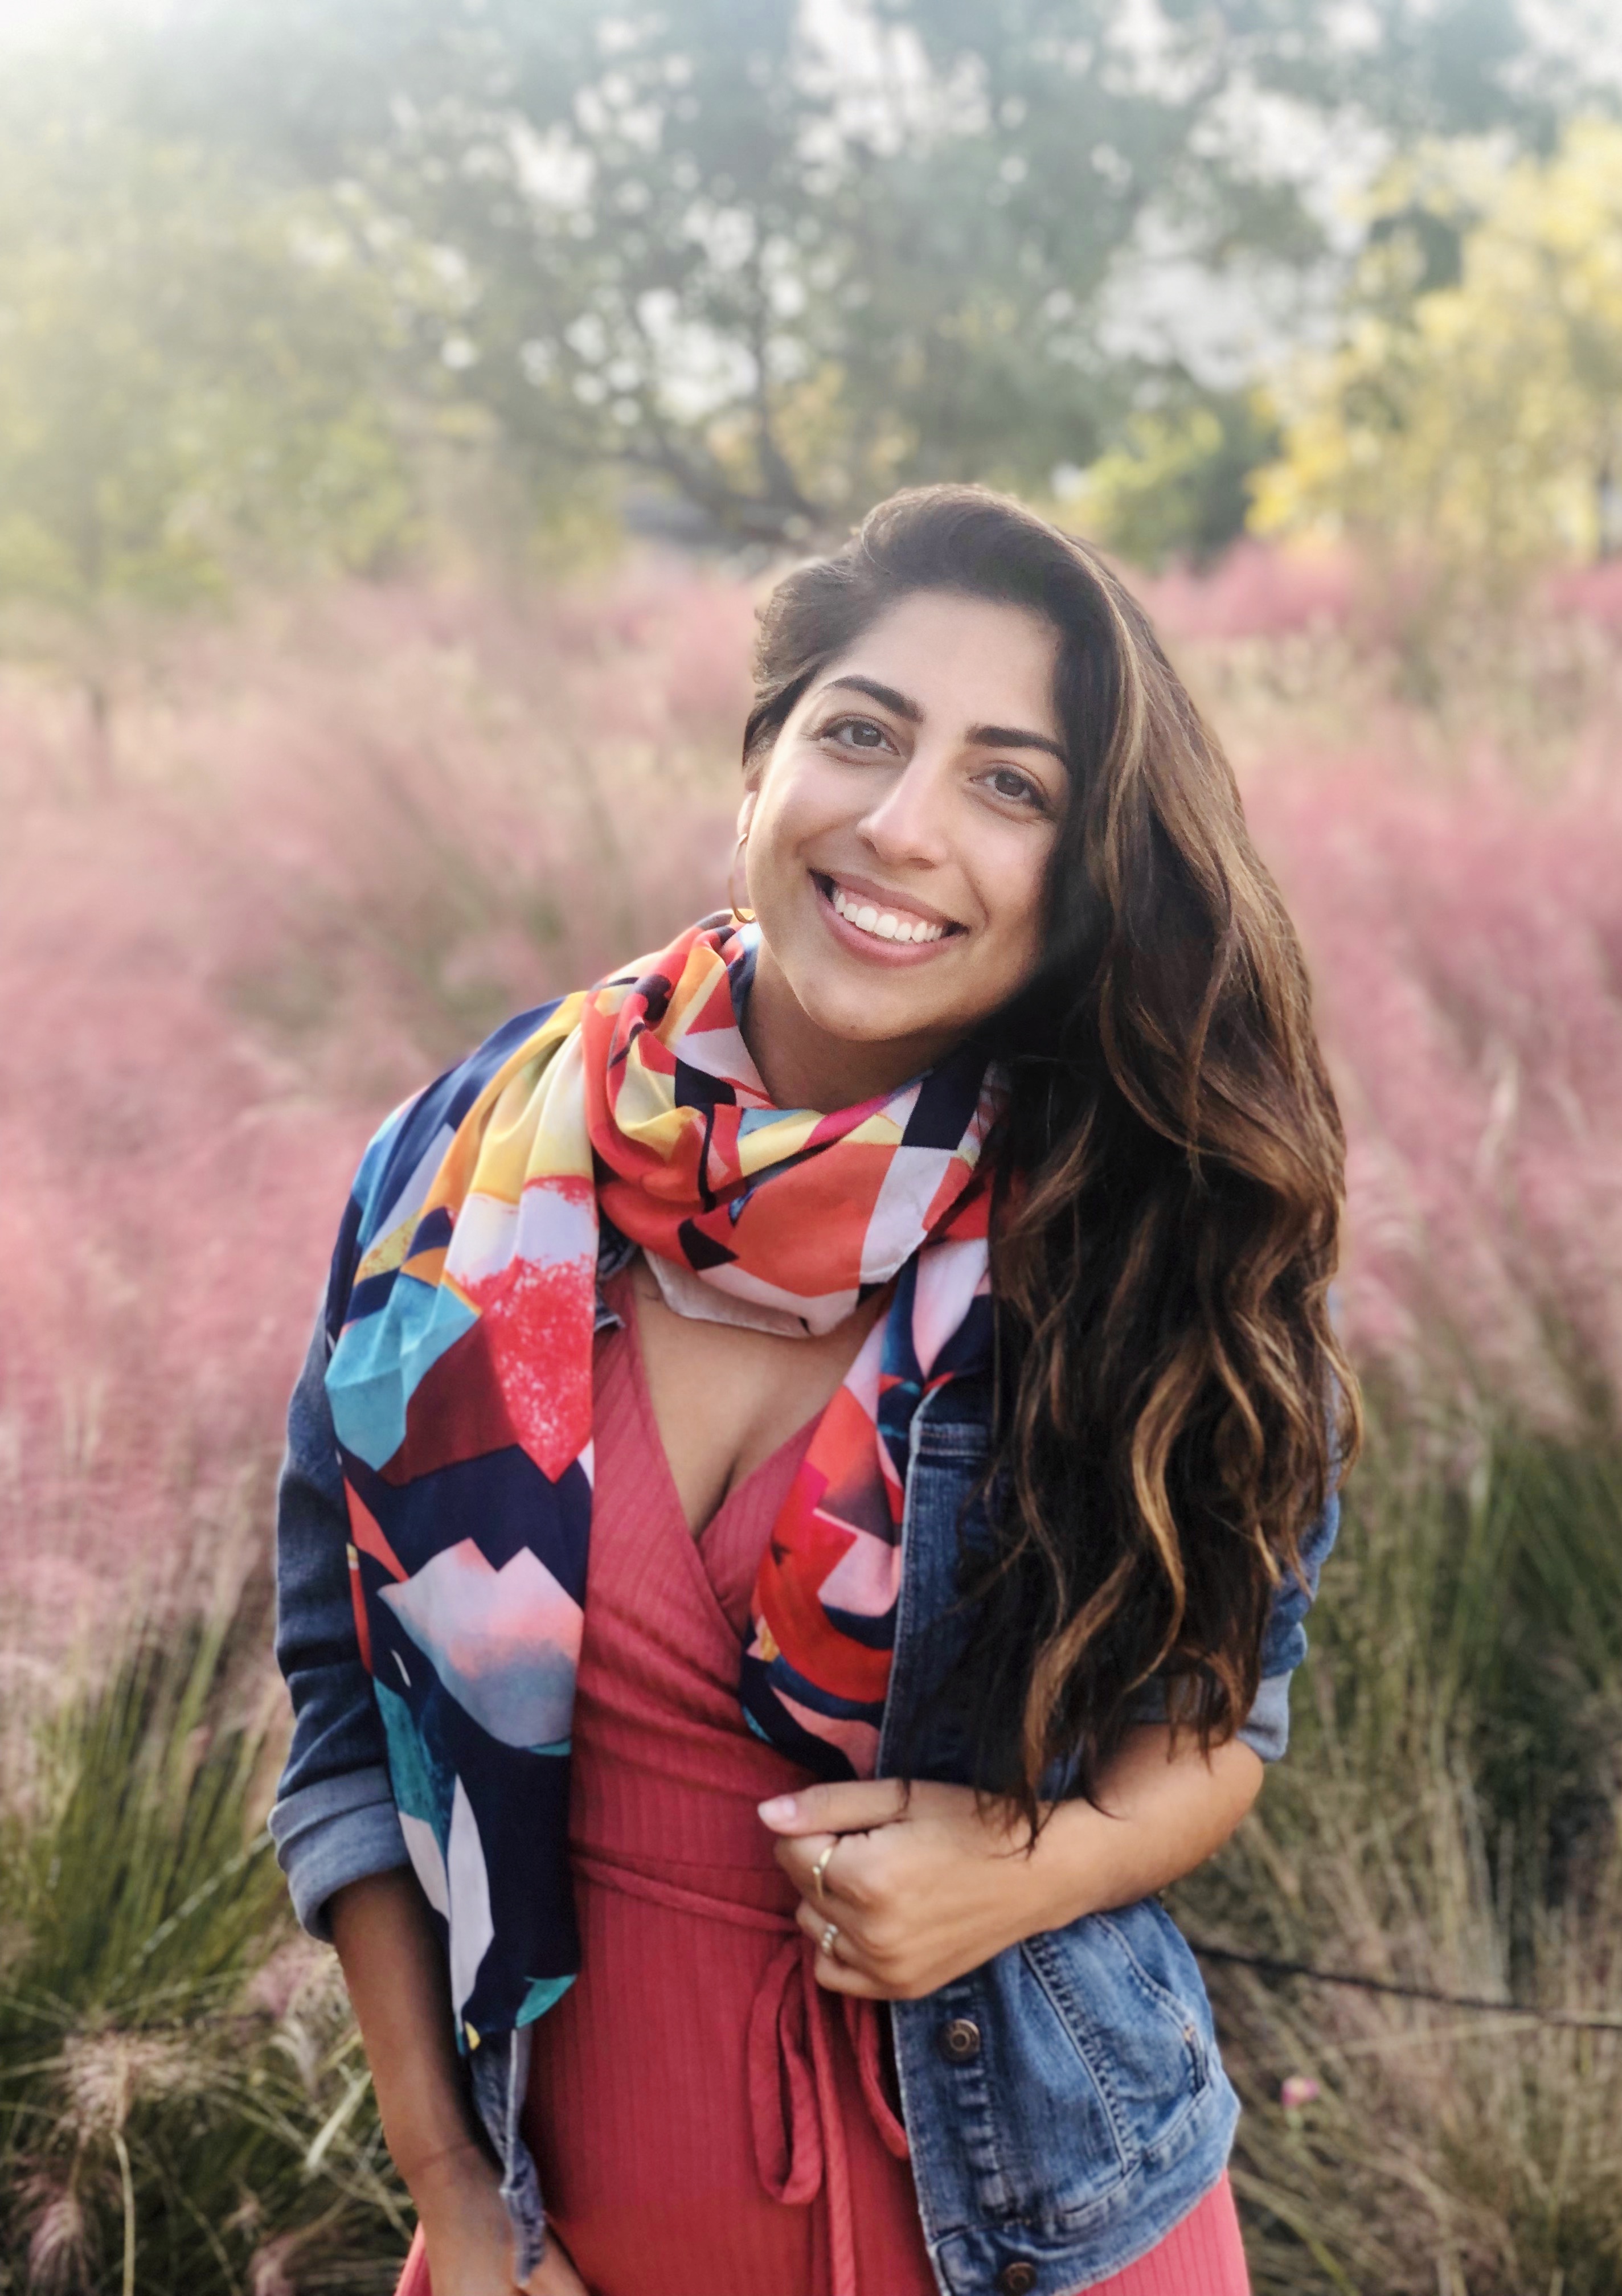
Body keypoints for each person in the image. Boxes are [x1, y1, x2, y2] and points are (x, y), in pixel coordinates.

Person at [270, 484, 1359, 2296]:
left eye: (1012, 785)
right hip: (552, 2244)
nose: (905, 824)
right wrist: (457, 2199)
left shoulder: (1148, 1240)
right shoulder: (456, 1186)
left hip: (1045, 2227)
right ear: (762, 762)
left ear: (1081, 879)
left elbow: (1220, 1731)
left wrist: (1030, 1869)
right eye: (861, 733)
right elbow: (339, 1712)